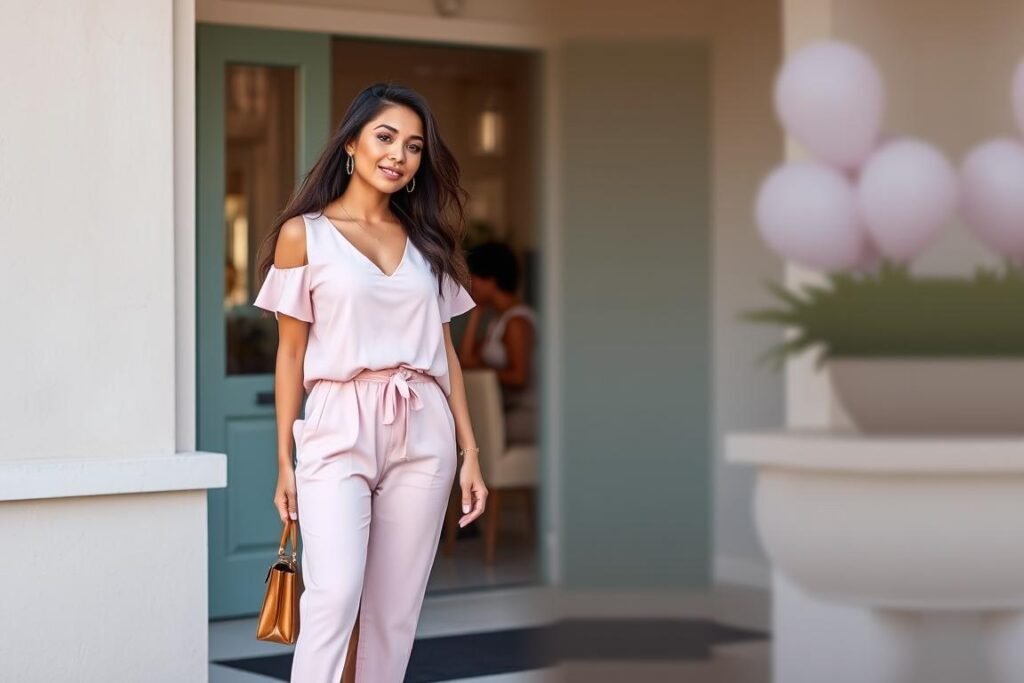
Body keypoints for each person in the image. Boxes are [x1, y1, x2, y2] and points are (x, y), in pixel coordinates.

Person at [252, 82, 488, 683]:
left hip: (424, 427)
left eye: (413, 146)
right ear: (352, 143)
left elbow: (446, 356)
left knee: (393, 612)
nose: (398, 154)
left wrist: (471, 452)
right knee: (334, 595)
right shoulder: (304, 234)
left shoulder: (427, 244)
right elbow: (290, 355)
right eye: (385, 137)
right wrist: (284, 458)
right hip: (337, 422)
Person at [457, 241, 538, 444]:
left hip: (529, 412)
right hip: (508, 408)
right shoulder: (498, 320)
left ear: (490, 280)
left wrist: (482, 369)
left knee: (472, 426)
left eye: (473, 276)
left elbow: (519, 377)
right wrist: (476, 312)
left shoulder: (517, 322)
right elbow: (465, 360)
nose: (469, 283)